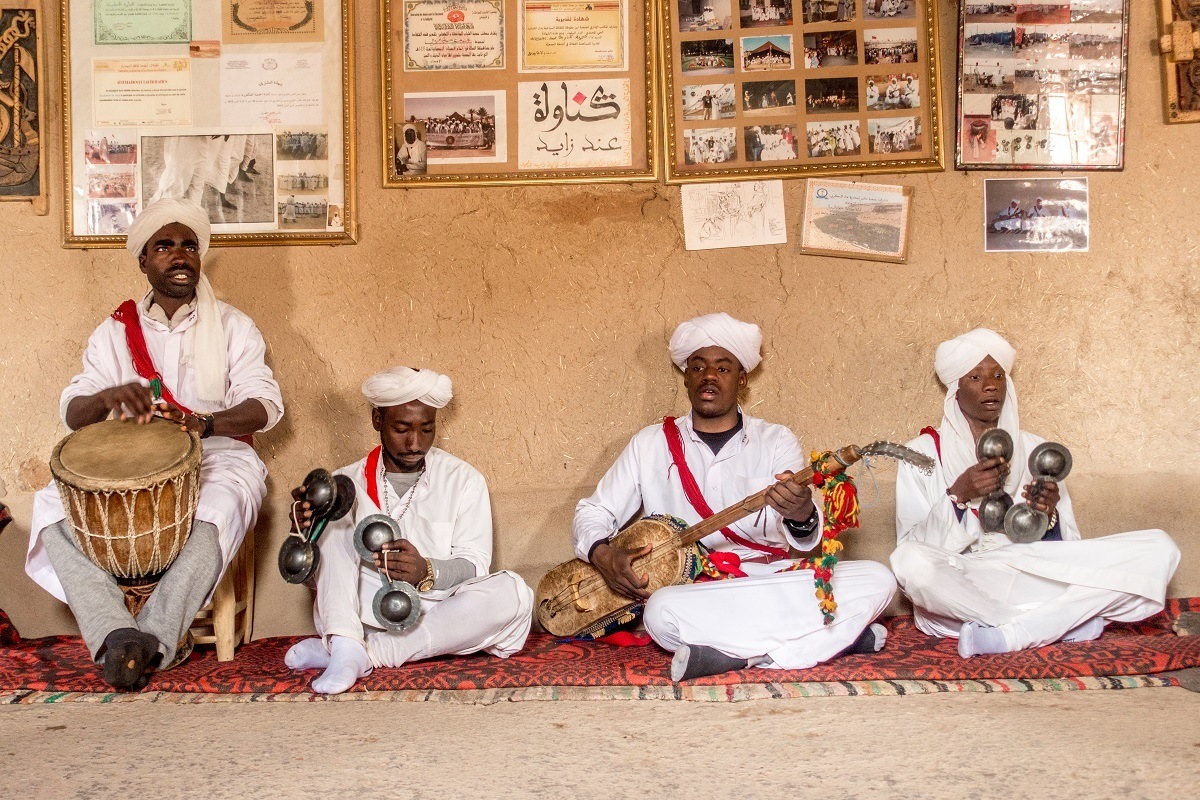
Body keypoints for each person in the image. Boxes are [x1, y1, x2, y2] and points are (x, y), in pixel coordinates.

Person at [25, 198, 284, 690]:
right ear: (143, 260)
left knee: (218, 508)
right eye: (164, 245)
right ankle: (118, 632)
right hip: (132, 467)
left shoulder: (232, 325)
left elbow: (264, 405)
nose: (180, 254)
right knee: (49, 510)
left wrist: (201, 424)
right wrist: (106, 396)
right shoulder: (113, 332)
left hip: (218, 457)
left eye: (189, 245)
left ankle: (152, 641)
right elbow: (74, 412)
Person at [573, 313, 896, 682]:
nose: (709, 376)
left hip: (769, 578)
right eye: (698, 366)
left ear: (741, 379)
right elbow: (594, 511)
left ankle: (737, 657)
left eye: (723, 368)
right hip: (696, 589)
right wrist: (602, 553)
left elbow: (806, 539)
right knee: (661, 611)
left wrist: (802, 512)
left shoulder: (776, 440)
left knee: (879, 578)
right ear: (686, 377)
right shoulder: (650, 444)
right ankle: (832, 638)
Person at [892, 328, 1180, 658]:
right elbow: (910, 550)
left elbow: (1069, 550)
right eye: (975, 376)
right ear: (955, 391)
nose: (990, 385)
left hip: (1031, 572)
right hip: (966, 582)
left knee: (1160, 548)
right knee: (909, 562)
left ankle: (1018, 631)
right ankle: (1052, 626)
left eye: (998, 375)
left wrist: (1050, 516)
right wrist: (958, 495)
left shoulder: (1036, 449)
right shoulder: (921, 455)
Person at [284, 367, 534, 695]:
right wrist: (304, 536)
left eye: (426, 429)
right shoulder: (344, 482)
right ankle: (347, 642)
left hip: (444, 610)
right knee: (334, 518)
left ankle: (360, 652)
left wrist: (426, 570)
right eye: (402, 429)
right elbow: (317, 581)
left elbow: (474, 565)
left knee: (513, 592)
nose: (415, 443)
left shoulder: (463, 479)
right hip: (365, 606)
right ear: (378, 420)